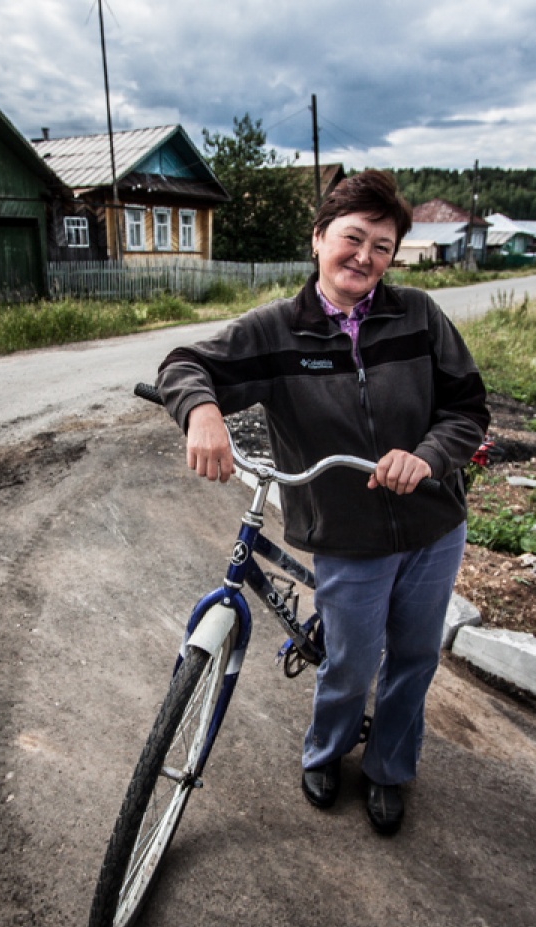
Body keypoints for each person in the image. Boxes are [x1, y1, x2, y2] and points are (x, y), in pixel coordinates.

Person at [156, 169, 488, 835]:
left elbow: (466, 408)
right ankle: (328, 749)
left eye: (383, 246)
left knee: (415, 655)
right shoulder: (278, 331)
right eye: (353, 238)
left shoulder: (419, 316)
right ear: (318, 239)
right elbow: (184, 364)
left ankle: (392, 766)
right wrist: (202, 413)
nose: (365, 257)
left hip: (432, 524)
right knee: (351, 661)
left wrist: (426, 456)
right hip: (345, 532)